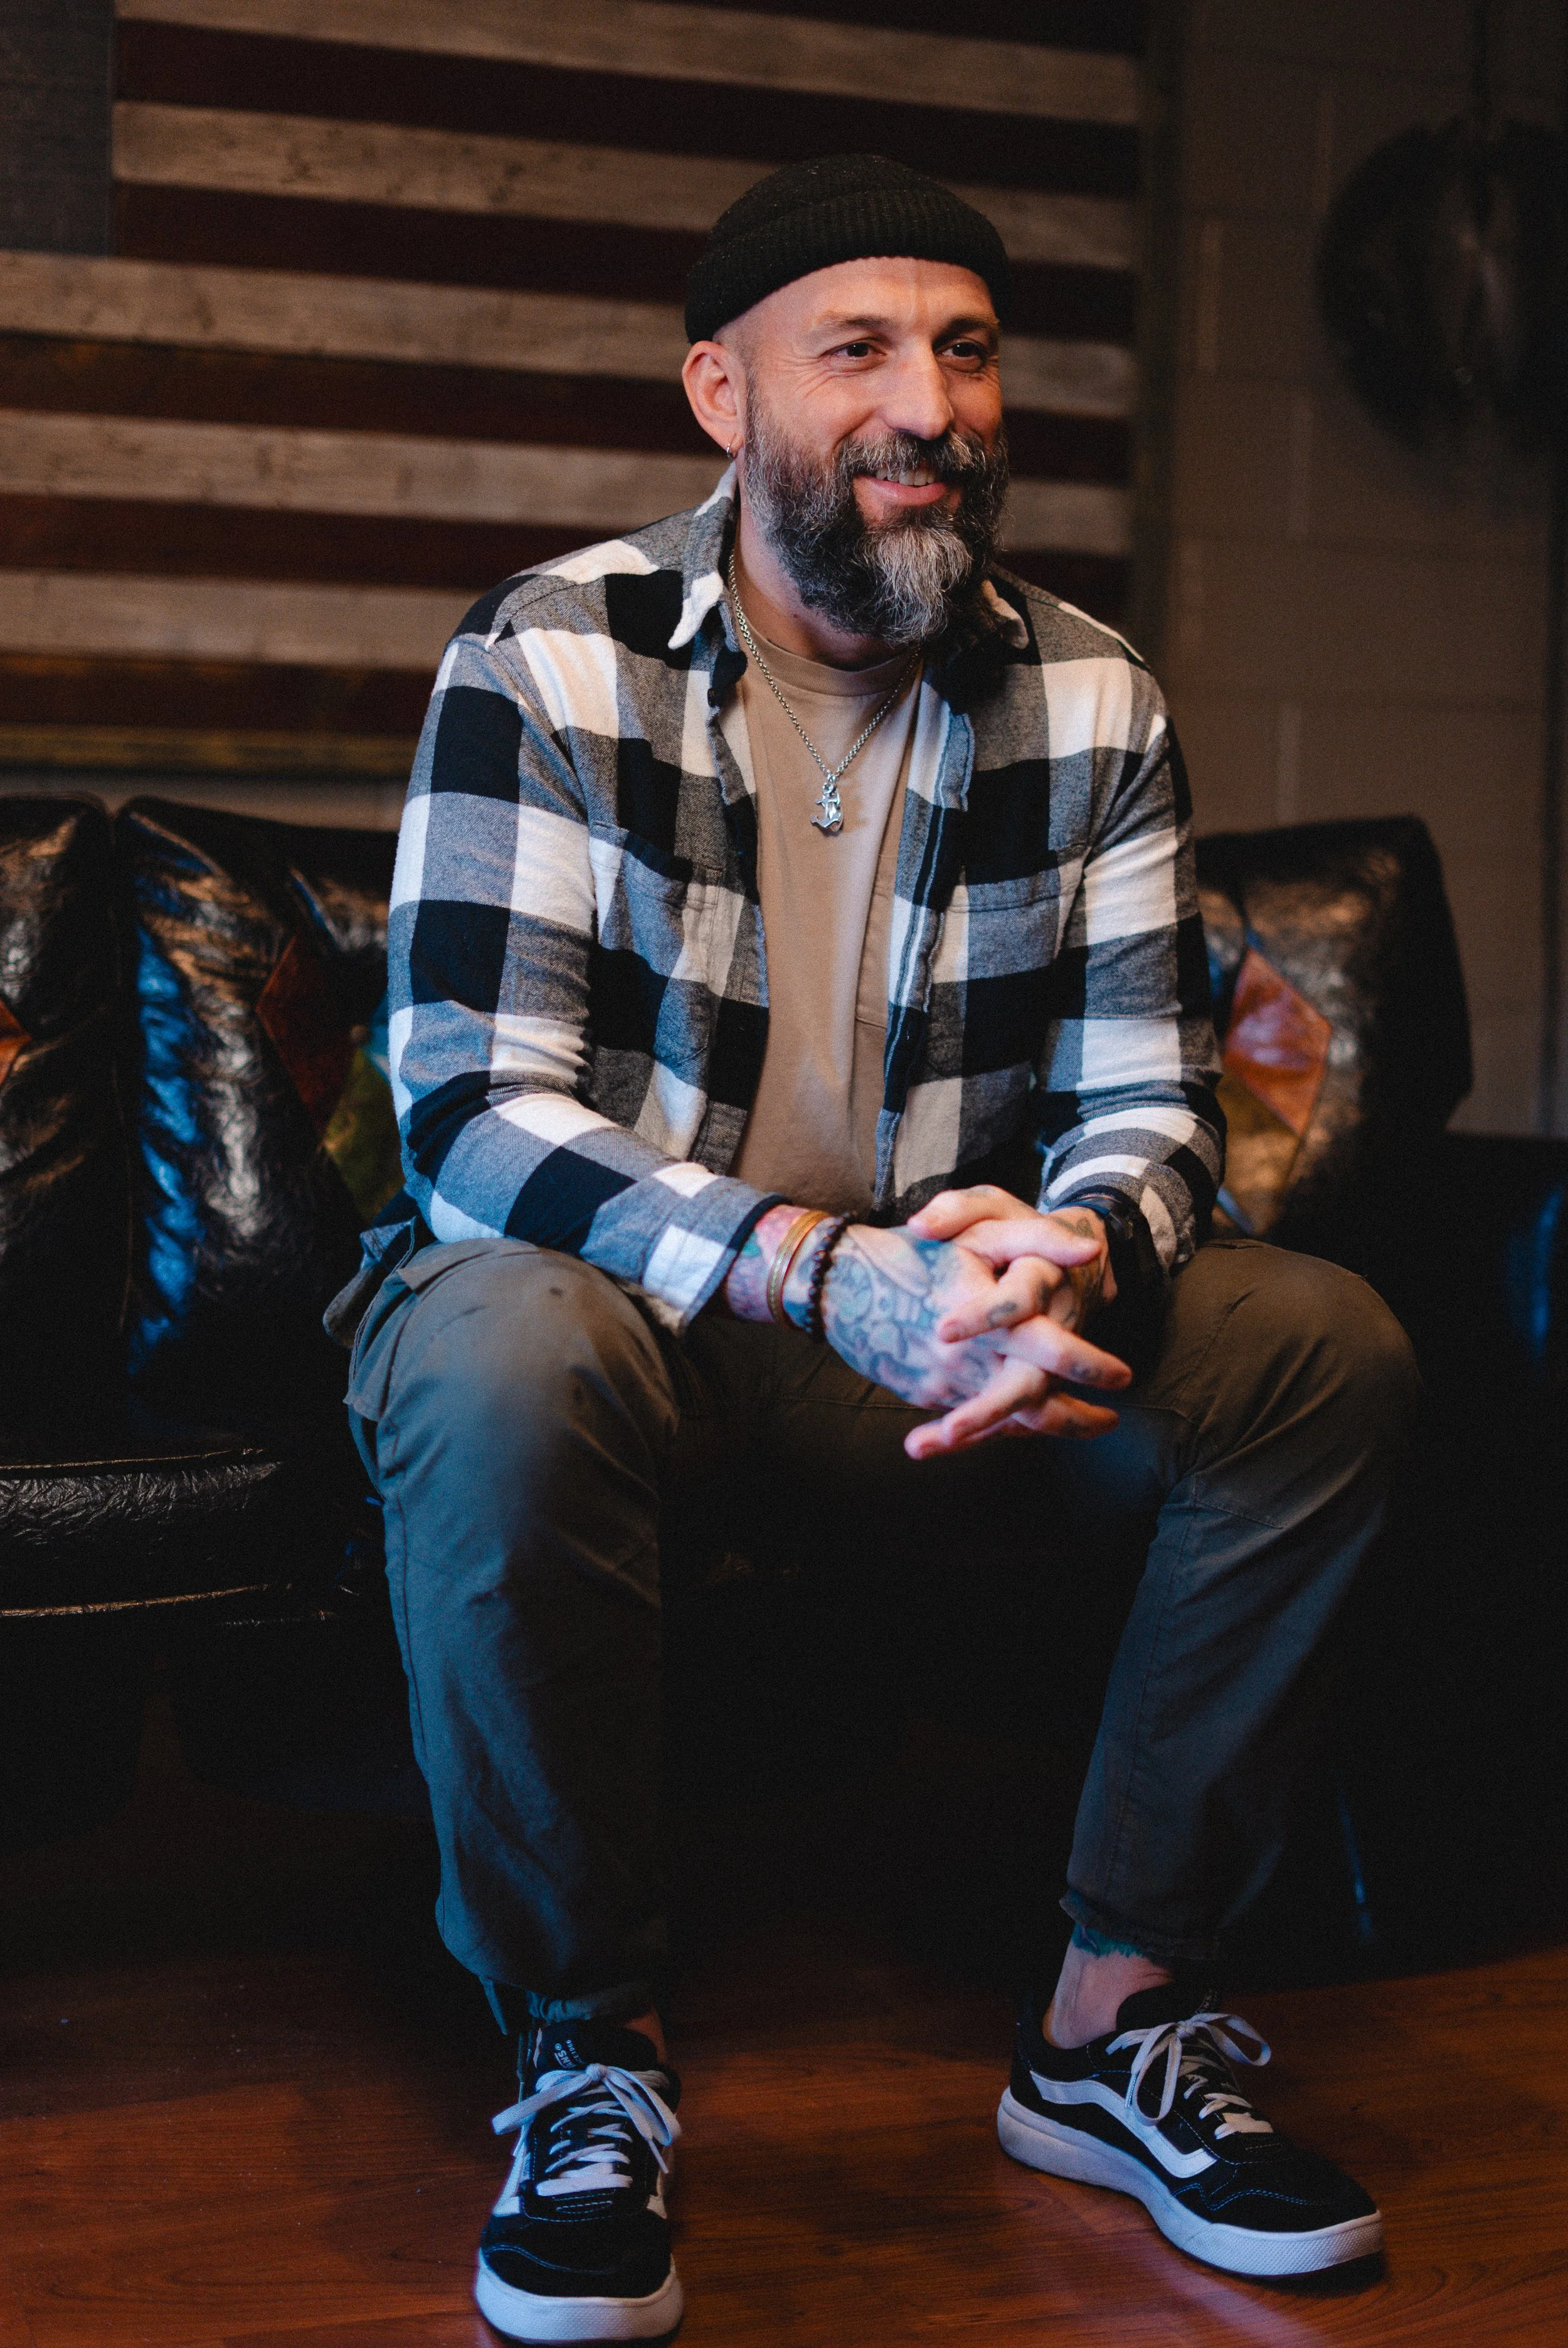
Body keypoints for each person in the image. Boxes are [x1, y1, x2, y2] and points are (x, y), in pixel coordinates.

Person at [329, 154, 1419, 2340]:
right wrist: (827, 1271)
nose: (928, 403)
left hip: (935, 1338)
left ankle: (1113, 2023)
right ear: (723, 395)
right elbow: (466, 1112)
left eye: (966, 349)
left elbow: (1146, 1108)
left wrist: (1065, 1260)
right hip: (625, 1314)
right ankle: (584, 2050)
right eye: (860, 352)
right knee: (498, 1353)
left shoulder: (1089, 697)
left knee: (1321, 1343)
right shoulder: (548, 658)